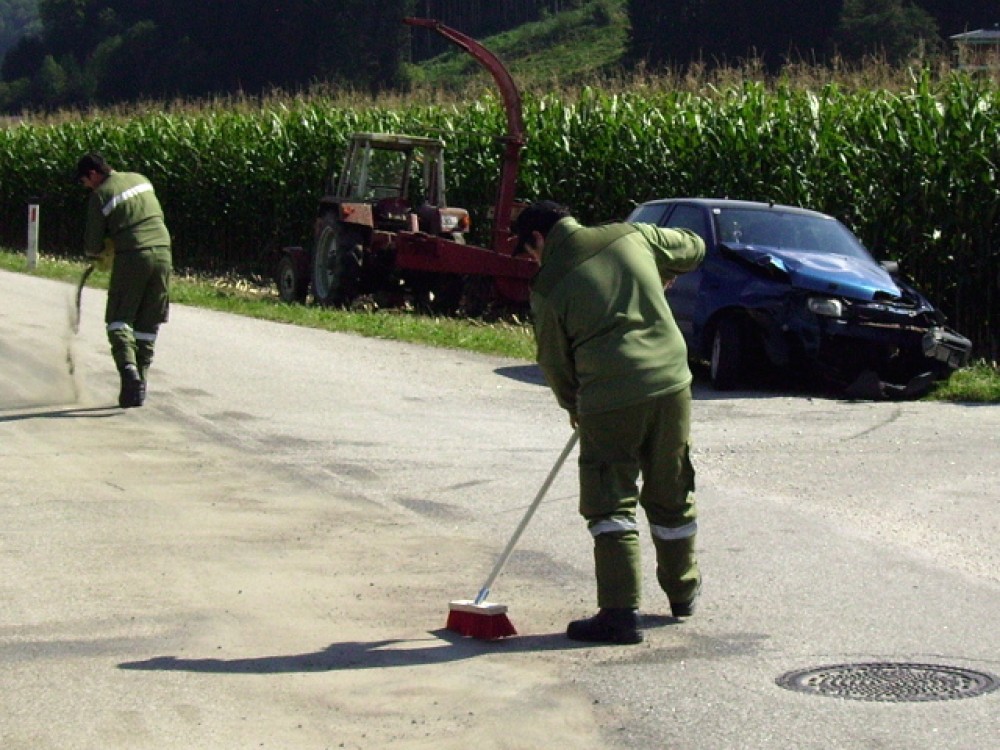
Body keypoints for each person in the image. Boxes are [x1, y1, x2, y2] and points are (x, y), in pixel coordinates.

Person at [513, 200, 706, 644]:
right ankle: (683, 591)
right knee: (671, 487)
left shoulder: (549, 285)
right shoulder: (632, 235)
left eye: (528, 252)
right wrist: (659, 268)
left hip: (610, 394)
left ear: (539, 239)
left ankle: (619, 614)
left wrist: (574, 407)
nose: (531, 260)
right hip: (673, 382)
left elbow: (553, 360)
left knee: (610, 502)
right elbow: (694, 248)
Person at [76, 153, 172, 408]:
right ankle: (140, 383)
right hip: (164, 253)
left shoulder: (100, 194)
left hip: (133, 257)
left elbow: (92, 245)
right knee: (147, 324)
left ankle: (129, 371)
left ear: (94, 174)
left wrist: (102, 254)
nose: (86, 186)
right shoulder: (140, 178)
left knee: (119, 320)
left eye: (84, 181)